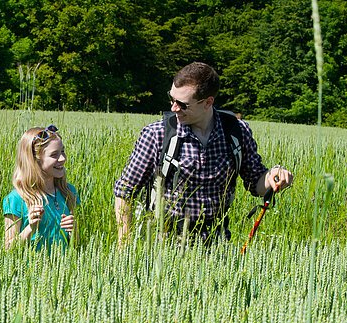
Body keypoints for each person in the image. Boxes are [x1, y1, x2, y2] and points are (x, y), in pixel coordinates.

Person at [114, 62, 293, 244]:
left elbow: (256, 183)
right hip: (164, 243)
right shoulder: (157, 134)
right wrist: (125, 246)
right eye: (171, 99)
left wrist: (273, 176)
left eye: (182, 104)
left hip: (217, 242)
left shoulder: (236, 132)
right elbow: (124, 191)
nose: (174, 108)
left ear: (208, 102)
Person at [3, 125, 78, 250]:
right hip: (30, 269)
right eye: (54, 155)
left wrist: (73, 231)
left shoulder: (68, 192)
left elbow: (75, 246)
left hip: (63, 267)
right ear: (34, 160)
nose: (63, 158)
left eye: (63, 151)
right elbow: (8, 248)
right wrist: (30, 228)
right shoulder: (16, 199)